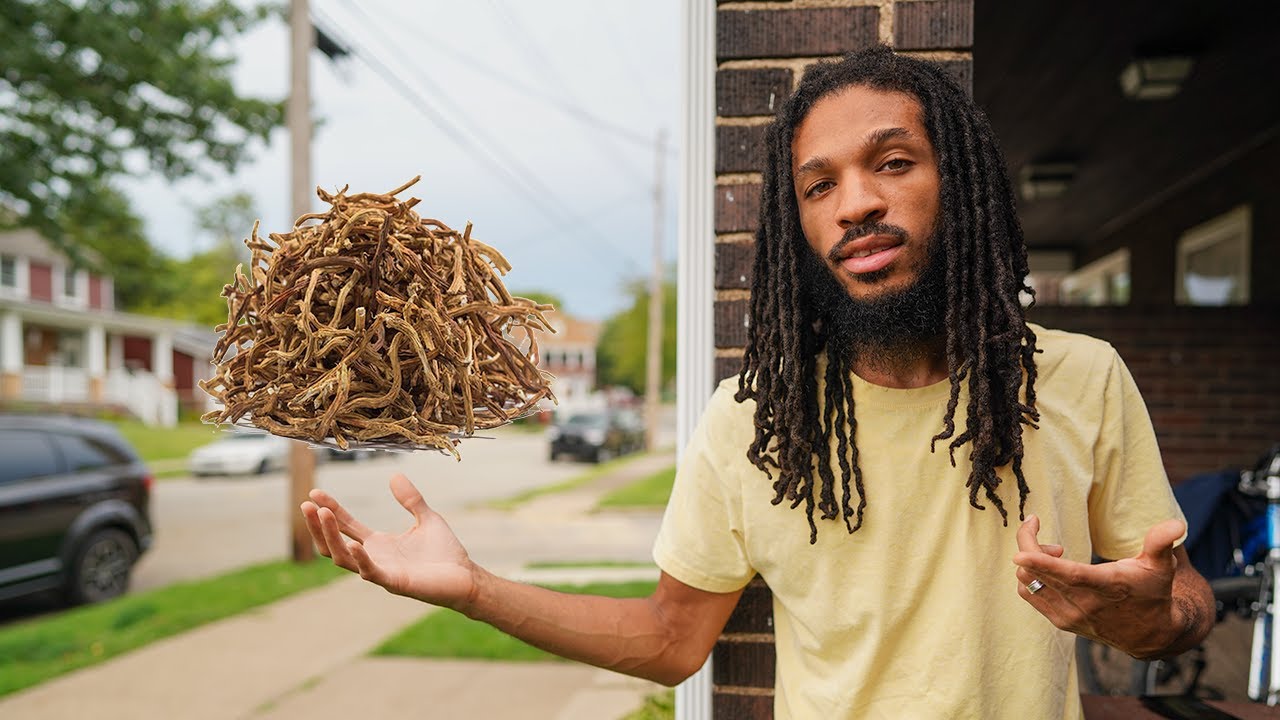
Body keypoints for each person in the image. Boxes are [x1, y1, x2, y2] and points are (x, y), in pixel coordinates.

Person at [301, 46, 1215, 719]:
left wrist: (1145, 619)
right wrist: (472, 589)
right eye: (819, 186)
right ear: (798, 228)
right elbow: (670, 640)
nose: (855, 202)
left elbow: (1184, 604)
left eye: (892, 163)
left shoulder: (1080, 379)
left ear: (960, 181)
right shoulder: (752, 422)